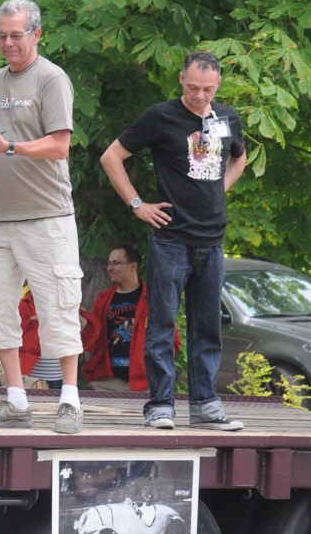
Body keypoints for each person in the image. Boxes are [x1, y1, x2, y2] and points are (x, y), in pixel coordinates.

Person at [0, 0, 86, 434]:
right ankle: (16, 399)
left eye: (16, 35)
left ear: (36, 33)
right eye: (2, 35)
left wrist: (9, 146)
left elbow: (60, 146)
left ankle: (70, 401)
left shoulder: (52, 78)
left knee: (58, 309)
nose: (8, 43)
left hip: (47, 214)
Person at [100, 50, 246, 431]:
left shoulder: (228, 118)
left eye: (208, 89)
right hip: (171, 240)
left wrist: (219, 190)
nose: (200, 95)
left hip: (212, 241)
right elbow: (111, 157)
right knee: (162, 325)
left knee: (208, 326)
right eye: (193, 87)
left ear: (219, 84)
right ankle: (160, 405)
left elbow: (239, 158)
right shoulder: (160, 116)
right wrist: (137, 204)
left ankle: (205, 404)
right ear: (181, 78)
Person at [82, 243, 180, 391]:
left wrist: (159, 376)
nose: (110, 268)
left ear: (133, 266)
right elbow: (92, 338)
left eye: (115, 263)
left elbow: (171, 340)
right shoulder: (102, 299)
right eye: (109, 263)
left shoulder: (154, 298)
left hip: (144, 383)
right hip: (107, 382)